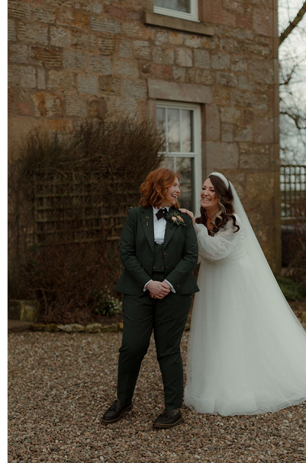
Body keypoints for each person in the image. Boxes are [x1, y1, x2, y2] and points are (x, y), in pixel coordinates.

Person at [180, 172, 306, 415]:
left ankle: (237, 386)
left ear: (222, 197)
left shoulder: (232, 221)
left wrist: (195, 229)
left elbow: (218, 251)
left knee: (234, 330)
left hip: (234, 282)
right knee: (215, 328)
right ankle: (214, 381)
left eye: (213, 190)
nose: (206, 193)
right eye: (204, 188)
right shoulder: (201, 220)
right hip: (212, 282)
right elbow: (199, 256)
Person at [101, 168, 199, 429]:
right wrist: (148, 283)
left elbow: (191, 256)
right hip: (138, 289)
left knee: (168, 349)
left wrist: (166, 283)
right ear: (159, 186)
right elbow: (127, 253)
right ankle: (123, 400)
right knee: (132, 346)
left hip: (174, 292)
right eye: (173, 185)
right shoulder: (135, 216)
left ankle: (172, 408)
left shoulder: (184, 219)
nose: (178, 190)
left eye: (179, 185)